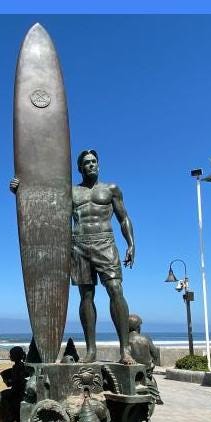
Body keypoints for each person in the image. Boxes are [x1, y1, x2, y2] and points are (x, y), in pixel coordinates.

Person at [11, 149, 135, 364]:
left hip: (105, 242)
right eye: (86, 163)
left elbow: (124, 218)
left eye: (94, 161)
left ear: (99, 164)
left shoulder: (111, 189)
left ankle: (125, 351)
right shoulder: (70, 192)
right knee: (86, 296)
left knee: (115, 289)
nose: (91, 165)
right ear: (80, 168)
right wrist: (20, 191)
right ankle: (91, 351)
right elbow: (44, 207)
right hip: (78, 245)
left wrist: (131, 244)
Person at [127, 313, 164, 407]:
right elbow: (155, 354)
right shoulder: (145, 338)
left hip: (132, 369)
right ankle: (157, 396)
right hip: (146, 369)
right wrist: (153, 362)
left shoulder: (125, 339)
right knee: (151, 379)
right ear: (138, 327)